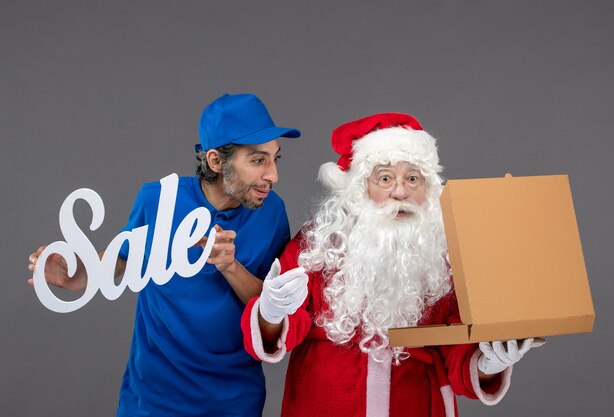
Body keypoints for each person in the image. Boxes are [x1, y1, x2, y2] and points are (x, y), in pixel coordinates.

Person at [241, 113, 544, 417]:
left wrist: (488, 364)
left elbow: (458, 351)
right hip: (326, 403)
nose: (400, 192)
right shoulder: (318, 244)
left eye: (413, 178)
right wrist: (271, 313)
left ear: (428, 187)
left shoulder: (446, 255)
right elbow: (280, 335)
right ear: (360, 187)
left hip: (416, 404)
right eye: (385, 178)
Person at [27, 93, 301, 417]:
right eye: (258, 160)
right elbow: (123, 258)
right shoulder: (159, 200)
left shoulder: (272, 213)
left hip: (233, 400)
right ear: (215, 161)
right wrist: (77, 277)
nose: (273, 175)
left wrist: (230, 267)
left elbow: (274, 307)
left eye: (275, 159)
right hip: (153, 399)